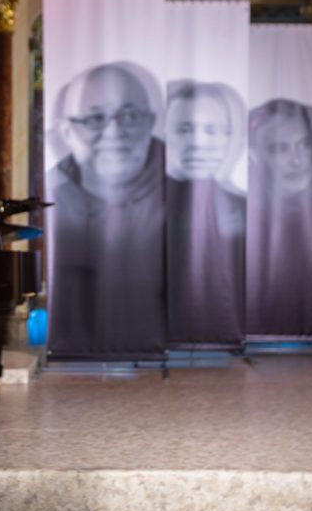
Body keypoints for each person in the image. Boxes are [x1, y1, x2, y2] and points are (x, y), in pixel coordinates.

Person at [46, 62, 169, 358]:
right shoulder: (44, 202)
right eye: (94, 119)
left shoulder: (191, 200)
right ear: (66, 131)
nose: (114, 132)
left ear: (151, 123)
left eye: (130, 116)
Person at [162, 79, 246, 348]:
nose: (198, 143)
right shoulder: (137, 207)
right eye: (184, 129)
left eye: (213, 130)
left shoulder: (247, 208)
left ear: (234, 136)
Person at [246, 98, 312, 338]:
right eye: (280, 149)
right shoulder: (240, 199)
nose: (298, 160)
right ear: (254, 153)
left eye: (305, 145)